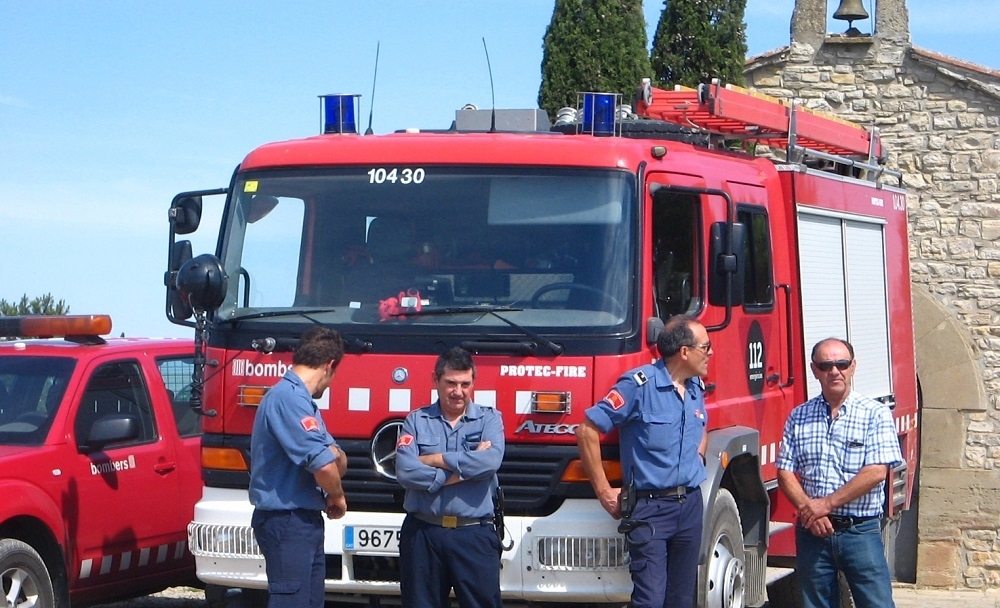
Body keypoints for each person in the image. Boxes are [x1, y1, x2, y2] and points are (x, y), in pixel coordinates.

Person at [576, 315, 711, 608]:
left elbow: (702, 425)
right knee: (650, 599)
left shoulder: (696, 386)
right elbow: (587, 430)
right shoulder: (638, 385)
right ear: (684, 352)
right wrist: (603, 491)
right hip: (650, 509)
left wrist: (697, 456)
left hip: (689, 505)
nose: (710, 353)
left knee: (682, 599)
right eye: (706, 347)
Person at [776, 337, 903, 608]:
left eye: (841, 364)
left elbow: (877, 472)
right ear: (814, 370)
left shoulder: (875, 414)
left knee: (877, 604)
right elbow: (785, 471)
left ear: (853, 367)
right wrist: (810, 511)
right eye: (826, 365)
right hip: (813, 534)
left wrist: (825, 504)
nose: (835, 371)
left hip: (860, 532)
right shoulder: (799, 416)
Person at [395, 347, 505, 608]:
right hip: (423, 533)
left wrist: (433, 460)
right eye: (451, 383)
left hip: (473, 534)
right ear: (436, 380)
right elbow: (405, 471)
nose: (459, 392)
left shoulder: (489, 420)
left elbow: (490, 462)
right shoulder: (416, 421)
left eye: (465, 384)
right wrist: (464, 471)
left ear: (473, 383)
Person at [248, 326, 348, 608]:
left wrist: (330, 457)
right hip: (287, 520)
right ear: (329, 365)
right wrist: (337, 497)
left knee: (309, 602)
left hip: (300, 520)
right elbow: (326, 467)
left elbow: (339, 460)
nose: (329, 384)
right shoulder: (289, 399)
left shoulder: (302, 401)